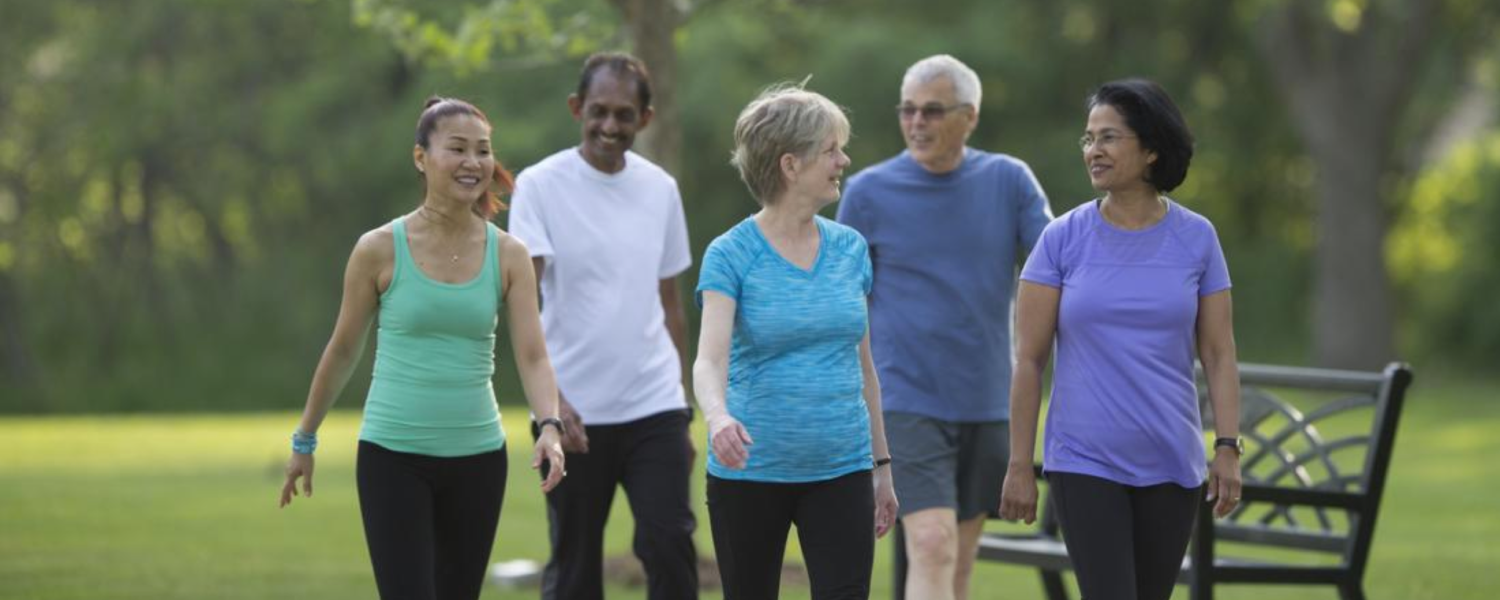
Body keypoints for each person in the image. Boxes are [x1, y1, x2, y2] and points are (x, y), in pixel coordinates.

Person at [278, 96, 567, 600]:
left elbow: (533, 354)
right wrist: (305, 439)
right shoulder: (378, 249)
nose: (473, 162)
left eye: (482, 151)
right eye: (457, 148)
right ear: (421, 158)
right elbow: (343, 350)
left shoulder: (510, 254)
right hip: (393, 458)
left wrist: (550, 426)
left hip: (479, 458)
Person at [998, 78, 1243, 600]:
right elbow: (1029, 362)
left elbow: (1220, 354)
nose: (1094, 151)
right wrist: (1021, 464)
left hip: (1172, 460)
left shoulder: (1197, 238)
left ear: (1151, 149)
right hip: (1084, 458)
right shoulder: (1061, 238)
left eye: (1109, 138)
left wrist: (1227, 447)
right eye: (1088, 139)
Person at [835, 54, 1052, 600]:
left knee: (957, 562)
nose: (916, 123)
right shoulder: (866, 192)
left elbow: (1057, 268)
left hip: (987, 400)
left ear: (969, 116)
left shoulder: (1009, 180)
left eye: (932, 111)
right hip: (903, 398)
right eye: (908, 110)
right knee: (930, 543)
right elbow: (840, 299)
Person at [694, 84, 899, 600]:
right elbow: (708, 360)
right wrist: (718, 417)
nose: (843, 160)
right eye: (831, 150)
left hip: (842, 468)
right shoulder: (730, 253)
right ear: (790, 164)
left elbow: (865, 368)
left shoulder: (850, 249)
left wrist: (882, 469)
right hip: (751, 474)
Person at [506, 52, 699, 600]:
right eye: (598, 112)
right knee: (574, 565)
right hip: (572, 413)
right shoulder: (541, 186)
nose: (610, 126)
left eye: (624, 114)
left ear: (646, 118)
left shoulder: (661, 188)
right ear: (576, 109)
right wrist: (553, 404)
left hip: (653, 405)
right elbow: (524, 305)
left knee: (669, 544)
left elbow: (670, 303)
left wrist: (682, 409)